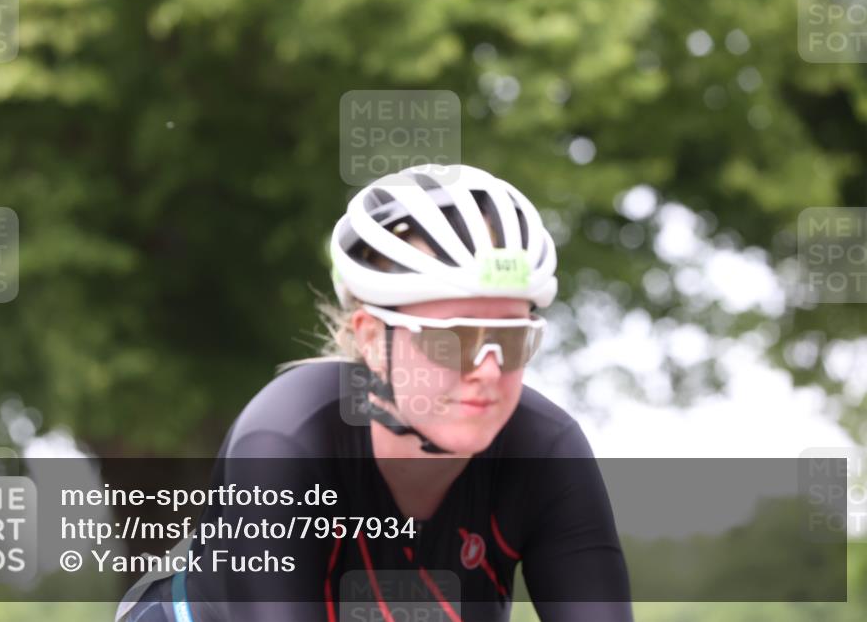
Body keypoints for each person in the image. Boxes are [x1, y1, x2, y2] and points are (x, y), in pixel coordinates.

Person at [116, 164, 634, 622]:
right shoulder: (285, 438)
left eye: (513, 338)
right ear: (370, 338)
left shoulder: (547, 447)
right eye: (452, 338)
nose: (487, 369)